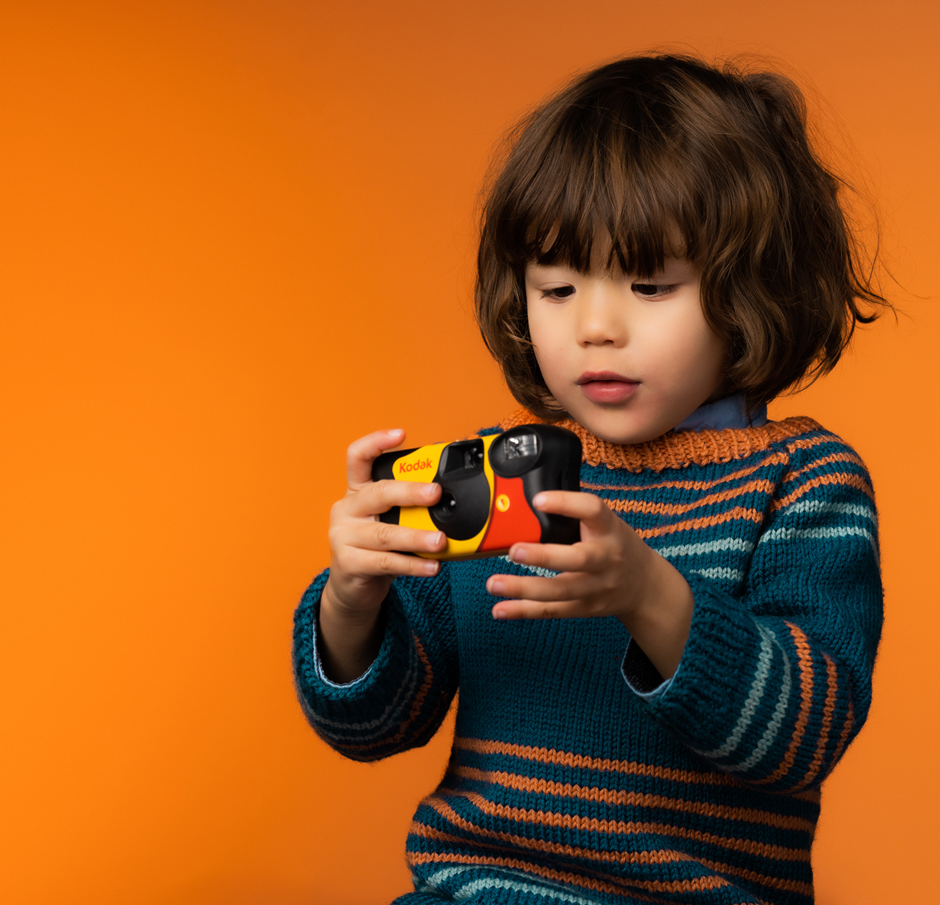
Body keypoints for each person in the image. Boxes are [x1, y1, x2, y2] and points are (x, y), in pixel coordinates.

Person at [293, 53, 888, 904]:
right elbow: (374, 725)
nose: (596, 327)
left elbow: (802, 733)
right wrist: (352, 602)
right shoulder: (499, 476)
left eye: (650, 285)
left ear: (751, 289)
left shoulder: (802, 482)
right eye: (559, 286)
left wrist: (650, 594)